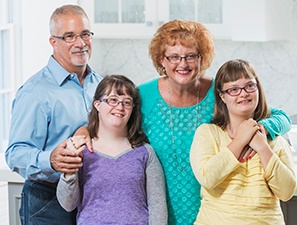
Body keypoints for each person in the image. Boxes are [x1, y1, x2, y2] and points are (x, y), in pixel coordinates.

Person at [137, 20, 292, 224]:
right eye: (174, 57)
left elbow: (282, 117)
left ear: (202, 58)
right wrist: (86, 131)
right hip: (162, 211)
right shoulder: (143, 96)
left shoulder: (222, 93)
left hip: (212, 211)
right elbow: (113, 129)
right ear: (161, 60)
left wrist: (261, 129)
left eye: (191, 56)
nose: (182, 64)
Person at [5, 5, 102, 225]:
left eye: (85, 34)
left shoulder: (100, 84)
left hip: (91, 196)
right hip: (47, 201)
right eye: (69, 36)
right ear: (53, 42)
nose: (80, 43)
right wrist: (50, 159)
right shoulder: (35, 92)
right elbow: (15, 153)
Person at [190, 59, 297, 225]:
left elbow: (286, 192)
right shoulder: (207, 133)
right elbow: (207, 178)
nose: (243, 93)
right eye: (233, 89)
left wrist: (262, 147)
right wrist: (240, 140)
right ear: (222, 96)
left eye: (249, 86)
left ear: (258, 88)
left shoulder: (276, 139)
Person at [56, 75, 167, 225]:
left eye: (126, 102)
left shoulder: (145, 152)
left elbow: (157, 206)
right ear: (97, 104)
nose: (120, 107)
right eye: (112, 100)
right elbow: (67, 204)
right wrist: (69, 172)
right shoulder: (80, 151)